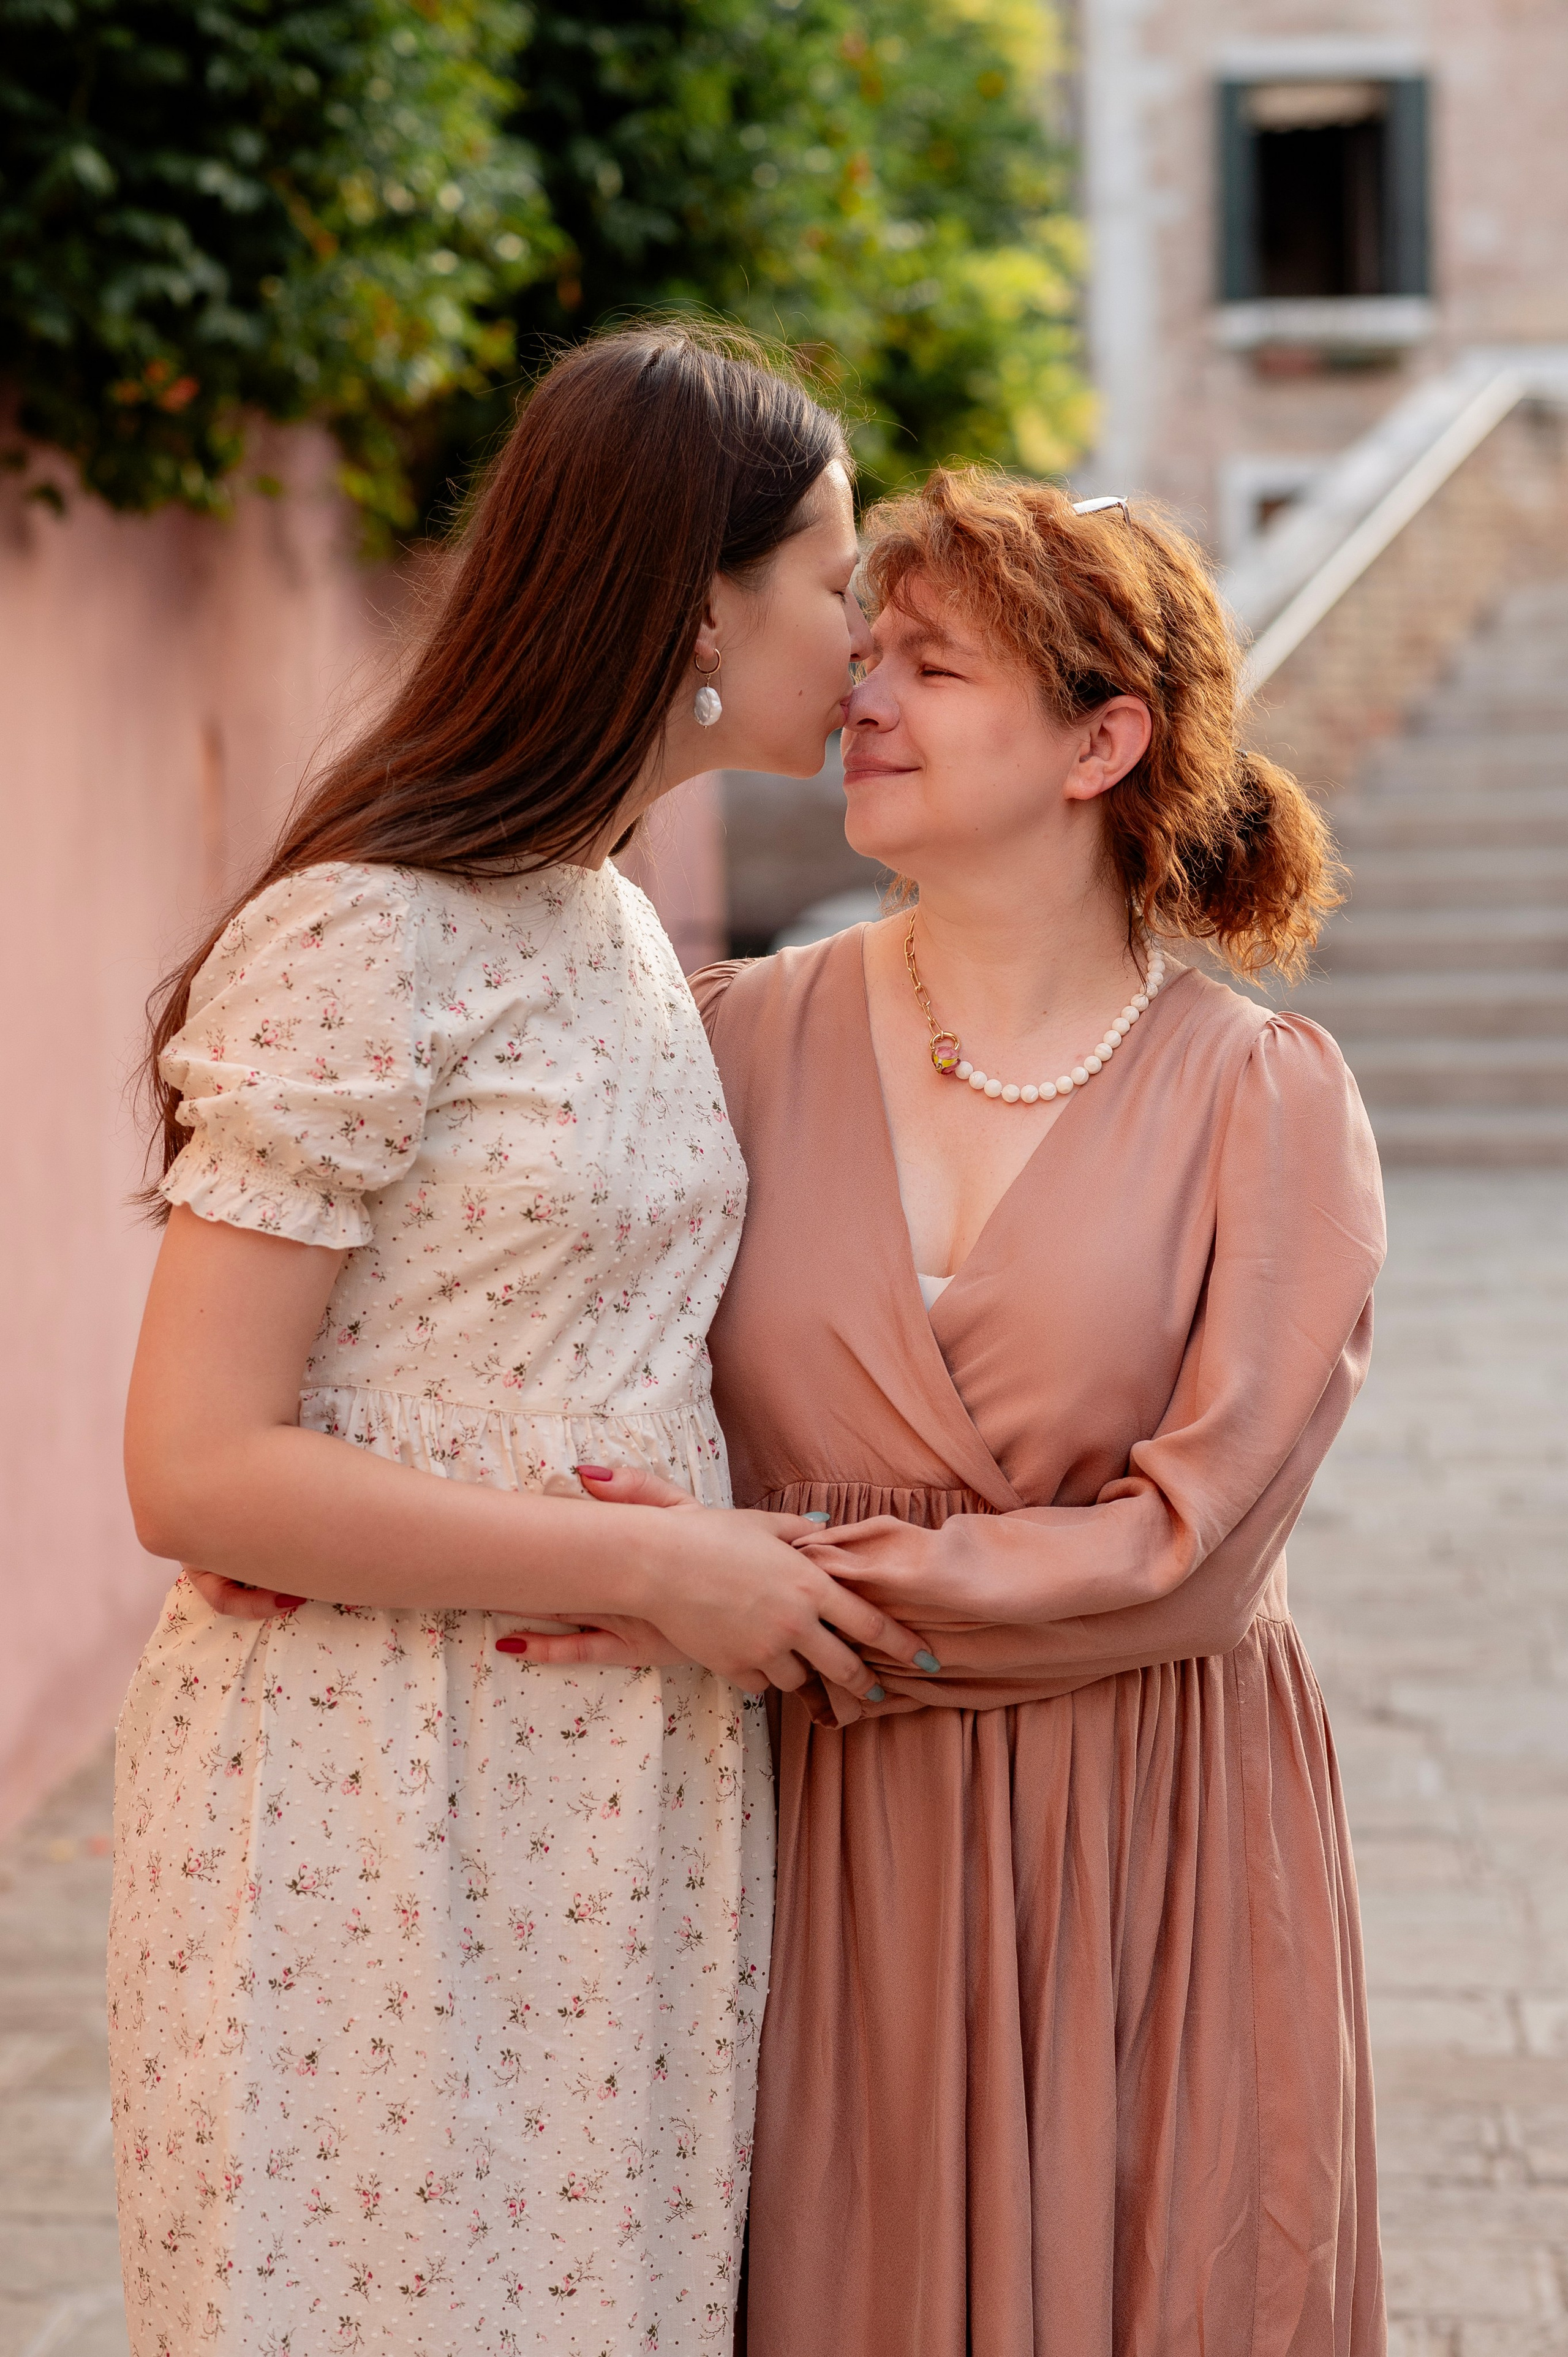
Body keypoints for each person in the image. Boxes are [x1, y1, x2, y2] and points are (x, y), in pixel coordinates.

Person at [108, 325, 930, 2357]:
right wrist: (663, 1563)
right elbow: (193, 1468)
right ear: (699, 597)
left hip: (616, 1793)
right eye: (837, 577)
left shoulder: (619, 917)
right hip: (370, 1788)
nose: (870, 627)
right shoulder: (371, 927)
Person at [509, 470, 1389, 2352]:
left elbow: (1191, 1562)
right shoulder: (727, 1040)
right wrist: (354, 1534)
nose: (862, 697)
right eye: (867, 650)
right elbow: (539, 1360)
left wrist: (768, 1592)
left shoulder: (1268, 1103)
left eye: (935, 665)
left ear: (1106, 739)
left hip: (1150, 1831)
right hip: (808, 1837)